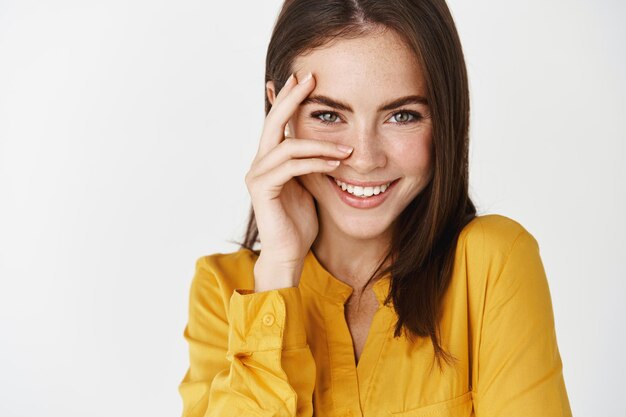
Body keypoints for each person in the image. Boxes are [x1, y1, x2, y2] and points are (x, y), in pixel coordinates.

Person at [178, 0, 573, 416]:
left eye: (402, 116)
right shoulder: (224, 290)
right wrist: (278, 270)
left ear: (445, 115)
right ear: (281, 112)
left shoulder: (493, 263)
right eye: (329, 114)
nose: (365, 159)